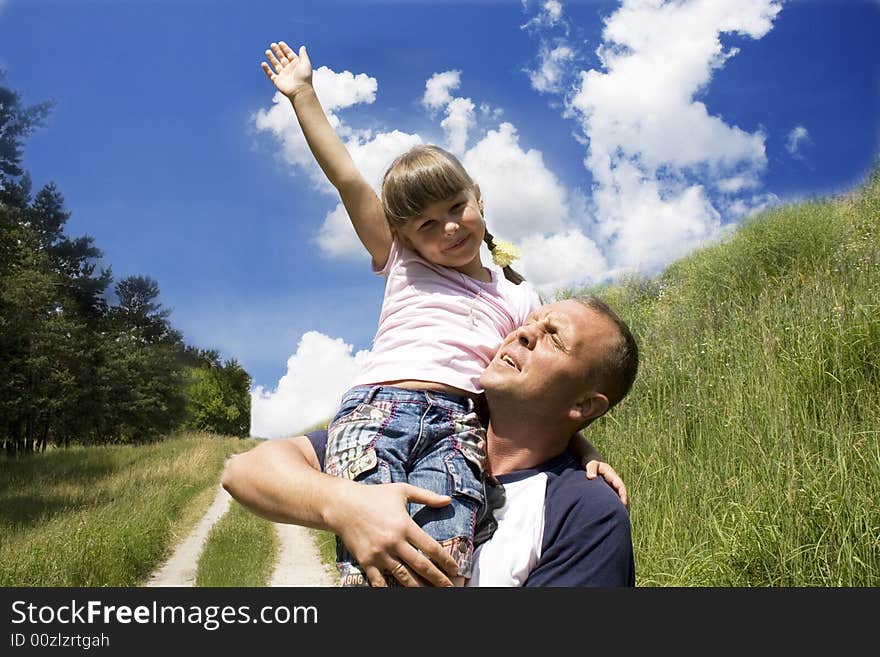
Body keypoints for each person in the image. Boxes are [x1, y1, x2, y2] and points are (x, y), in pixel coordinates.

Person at [257, 40, 612, 586]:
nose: (448, 228)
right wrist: (303, 95)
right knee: (375, 566)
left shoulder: (520, 296)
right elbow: (349, 178)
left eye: (455, 208)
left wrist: (581, 447)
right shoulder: (401, 261)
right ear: (402, 236)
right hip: (379, 413)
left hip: (461, 428)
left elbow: (544, 389)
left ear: (478, 198)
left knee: (441, 566)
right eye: (425, 224)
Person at [223, 296, 638, 587]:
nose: (524, 334)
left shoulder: (588, 513)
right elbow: (245, 472)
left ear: (584, 404)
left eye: (554, 337)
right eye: (530, 322)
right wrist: (347, 506)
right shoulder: (427, 427)